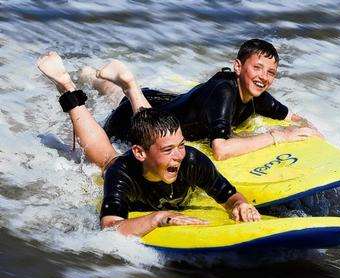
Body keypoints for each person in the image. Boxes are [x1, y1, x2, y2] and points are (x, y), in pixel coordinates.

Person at [37, 52, 261, 237]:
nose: (179, 155)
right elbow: (110, 226)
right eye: (168, 150)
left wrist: (239, 204)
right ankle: (66, 84)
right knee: (106, 160)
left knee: (155, 130)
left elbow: (229, 195)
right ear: (139, 153)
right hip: (124, 167)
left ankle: (130, 86)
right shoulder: (122, 173)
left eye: (180, 145)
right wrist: (159, 217)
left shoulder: (192, 160)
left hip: (150, 142)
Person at [81, 39, 323, 161]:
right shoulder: (225, 93)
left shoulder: (256, 95)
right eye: (257, 68)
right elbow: (220, 149)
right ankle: (93, 79)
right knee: (117, 111)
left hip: (160, 99)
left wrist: (314, 134)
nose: (263, 77)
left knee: (114, 95)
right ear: (237, 67)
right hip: (140, 119)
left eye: (270, 72)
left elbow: (292, 117)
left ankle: (92, 76)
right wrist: (278, 137)